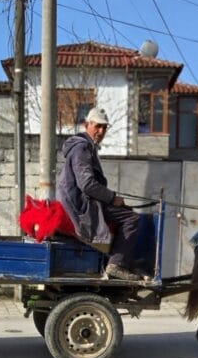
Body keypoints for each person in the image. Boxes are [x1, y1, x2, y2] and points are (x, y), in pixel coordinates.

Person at [56, 107, 142, 280]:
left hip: (82, 200)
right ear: (87, 125)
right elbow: (87, 184)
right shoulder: (82, 148)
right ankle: (115, 265)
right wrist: (112, 198)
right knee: (132, 218)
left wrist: (112, 198)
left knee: (128, 213)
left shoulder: (86, 146)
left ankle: (118, 262)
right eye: (97, 126)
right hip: (81, 204)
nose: (101, 131)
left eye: (104, 128)